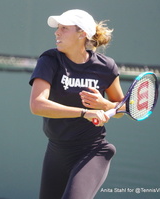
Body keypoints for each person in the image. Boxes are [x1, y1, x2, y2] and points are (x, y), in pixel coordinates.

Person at [29, 9, 124, 199]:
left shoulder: (106, 67)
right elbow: (37, 105)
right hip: (56, 150)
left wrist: (104, 104)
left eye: (64, 28)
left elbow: (121, 108)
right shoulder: (50, 60)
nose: (57, 32)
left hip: (92, 151)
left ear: (82, 34)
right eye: (58, 28)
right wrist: (85, 112)